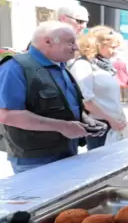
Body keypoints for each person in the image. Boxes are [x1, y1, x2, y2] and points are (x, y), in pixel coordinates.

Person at [0, 21, 104, 173]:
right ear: (48, 41)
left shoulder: (60, 67)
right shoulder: (15, 68)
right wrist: (63, 126)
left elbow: (65, 104)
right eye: (70, 42)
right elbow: (7, 115)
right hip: (35, 159)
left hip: (66, 151)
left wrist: (86, 120)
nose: (76, 47)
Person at [70, 26, 127, 150]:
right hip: (100, 124)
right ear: (98, 45)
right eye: (112, 47)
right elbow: (86, 101)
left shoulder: (103, 66)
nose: (115, 52)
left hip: (114, 124)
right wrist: (111, 120)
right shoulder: (83, 65)